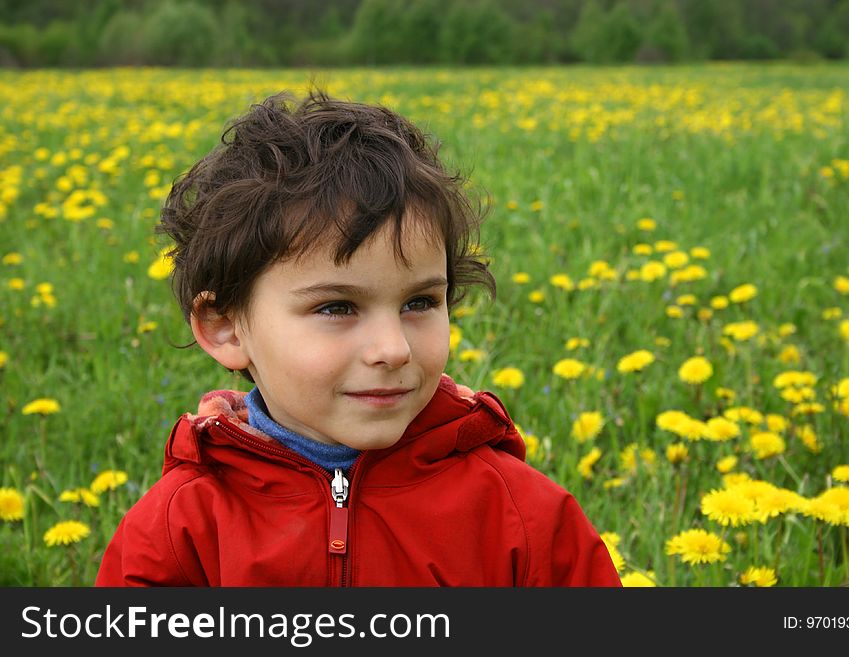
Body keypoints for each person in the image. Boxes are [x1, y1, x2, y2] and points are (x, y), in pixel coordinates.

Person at [95, 91, 621, 587]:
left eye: (419, 303)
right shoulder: (179, 530)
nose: (393, 349)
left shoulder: (522, 516)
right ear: (225, 327)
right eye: (337, 307)